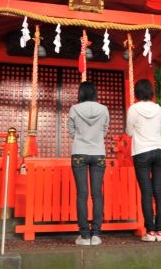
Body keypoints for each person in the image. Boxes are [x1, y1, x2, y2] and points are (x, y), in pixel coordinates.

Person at [68, 81, 109, 246]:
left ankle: (84, 235)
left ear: (81, 93)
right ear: (94, 93)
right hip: (98, 152)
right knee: (97, 193)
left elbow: (71, 131)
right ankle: (96, 235)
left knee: (82, 194)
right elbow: (104, 130)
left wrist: (81, 138)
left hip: (79, 151)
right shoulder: (103, 109)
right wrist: (96, 139)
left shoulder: (74, 109)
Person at [127, 79, 161, 242]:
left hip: (141, 151)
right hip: (159, 150)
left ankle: (150, 231)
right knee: (159, 191)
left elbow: (129, 131)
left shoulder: (134, 109)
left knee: (147, 192)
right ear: (151, 92)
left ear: (136, 92)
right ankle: (160, 232)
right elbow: (160, 128)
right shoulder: (158, 109)